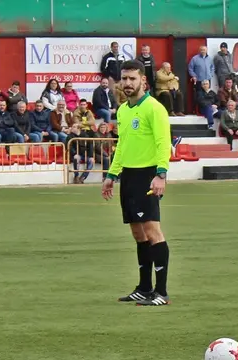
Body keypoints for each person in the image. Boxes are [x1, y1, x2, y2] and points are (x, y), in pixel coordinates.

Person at [101, 59, 172, 307]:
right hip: (129, 176)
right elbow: (122, 145)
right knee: (137, 233)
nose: (128, 83)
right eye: (124, 78)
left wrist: (161, 174)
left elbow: (163, 143)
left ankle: (161, 292)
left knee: (152, 231)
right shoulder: (123, 110)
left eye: (133, 78)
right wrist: (111, 175)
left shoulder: (154, 108)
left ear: (143, 80)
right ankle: (144, 288)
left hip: (148, 175)